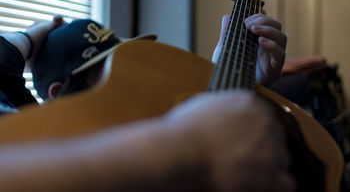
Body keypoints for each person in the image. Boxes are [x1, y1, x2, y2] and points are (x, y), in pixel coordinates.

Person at [0, 14, 293, 191]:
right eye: (109, 67)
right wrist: (27, 37)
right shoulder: (39, 143)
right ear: (57, 92)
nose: (131, 72)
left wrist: (239, 80)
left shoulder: (143, 123)